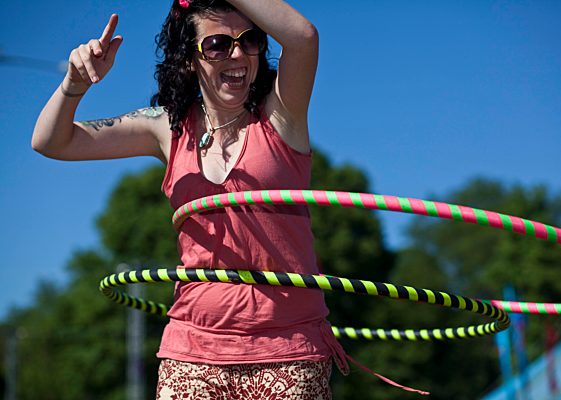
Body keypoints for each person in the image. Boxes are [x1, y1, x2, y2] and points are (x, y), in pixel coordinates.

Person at [32, 0, 344, 398]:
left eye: (250, 41)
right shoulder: (167, 127)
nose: (236, 54)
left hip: (289, 348)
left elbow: (302, 37)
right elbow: (50, 141)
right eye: (216, 44)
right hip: (193, 349)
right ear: (188, 60)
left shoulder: (281, 115)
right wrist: (74, 85)